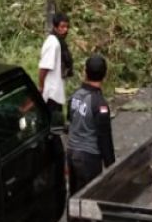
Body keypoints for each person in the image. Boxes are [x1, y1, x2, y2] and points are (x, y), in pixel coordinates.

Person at [67, 54, 115, 194]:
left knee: (74, 196)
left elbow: (70, 119)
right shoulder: (99, 104)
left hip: (71, 152)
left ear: (85, 72)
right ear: (104, 75)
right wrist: (110, 164)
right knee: (90, 196)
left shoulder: (75, 96)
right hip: (89, 157)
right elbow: (104, 136)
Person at [38, 13, 73, 123]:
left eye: (67, 27)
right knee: (53, 127)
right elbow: (44, 68)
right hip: (51, 93)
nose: (65, 30)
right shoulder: (53, 43)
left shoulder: (59, 42)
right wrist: (41, 86)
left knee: (55, 126)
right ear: (55, 27)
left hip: (56, 92)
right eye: (62, 27)